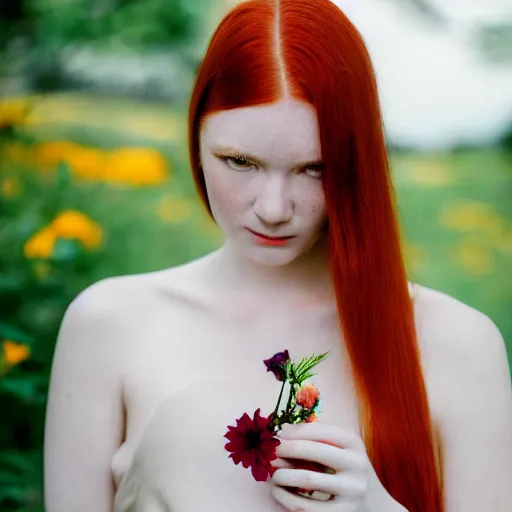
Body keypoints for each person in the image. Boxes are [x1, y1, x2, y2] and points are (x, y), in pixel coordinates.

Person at [43, 0, 512, 511]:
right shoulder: (110, 324)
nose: (273, 209)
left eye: (314, 169)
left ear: (359, 161)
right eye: (240, 161)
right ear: (196, 136)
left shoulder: (458, 343)